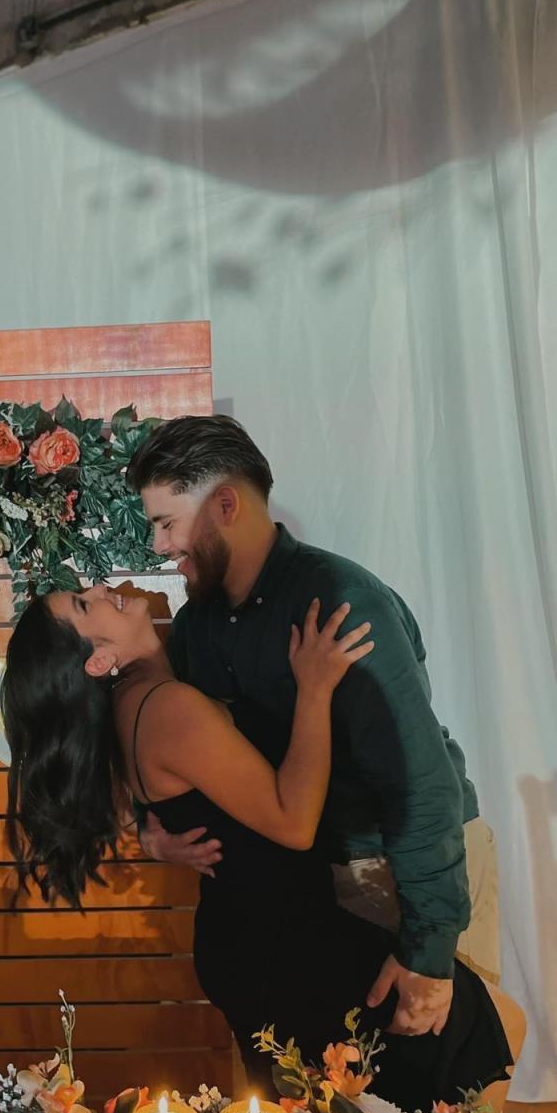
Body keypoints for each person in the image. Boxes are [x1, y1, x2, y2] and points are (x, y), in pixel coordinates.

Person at [1, 581, 522, 1113]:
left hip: (258, 933)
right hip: (283, 940)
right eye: (84, 606)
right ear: (98, 660)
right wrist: (315, 688)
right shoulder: (166, 705)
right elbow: (293, 824)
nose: (101, 589)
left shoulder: (142, 699)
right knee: (486, 1038)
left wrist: (150, 835)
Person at [127, 415, 503, 1040]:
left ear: (225, 505)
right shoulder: (199, 626)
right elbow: (183, 758)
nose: (159, 546)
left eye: (167, 523)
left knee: (435, 1101)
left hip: (397, 872)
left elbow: (418, 782)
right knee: (341, 1107)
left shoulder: (340, 602)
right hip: (312, 887)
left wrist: (429, 950)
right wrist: (151, 831)